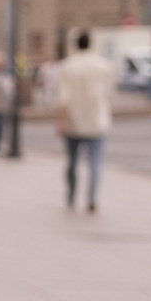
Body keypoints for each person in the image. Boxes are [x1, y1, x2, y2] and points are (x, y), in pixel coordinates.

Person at [55, 29, 118, 213]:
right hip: (97, 120)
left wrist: (59, 121)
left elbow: (63, 98)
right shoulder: (103, 66)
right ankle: (91, 197)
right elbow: (109, 95)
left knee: (72, 161)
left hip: (73, 121)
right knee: (95, 163)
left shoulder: (68, 65)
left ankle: (72, 195)